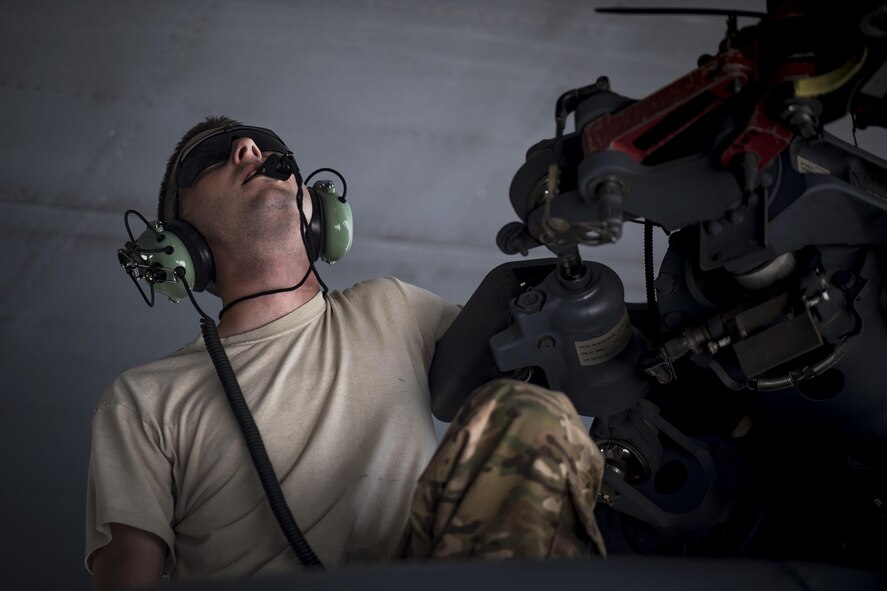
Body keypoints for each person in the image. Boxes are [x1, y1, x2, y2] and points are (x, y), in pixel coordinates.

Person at [85, 116, 605, 589]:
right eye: (211, 157)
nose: (248, 148)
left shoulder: (392, 307)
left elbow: (549, 361)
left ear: (317, 208)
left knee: (529, 413)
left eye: (266, 146)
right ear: (176, 245)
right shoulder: (144, 398)